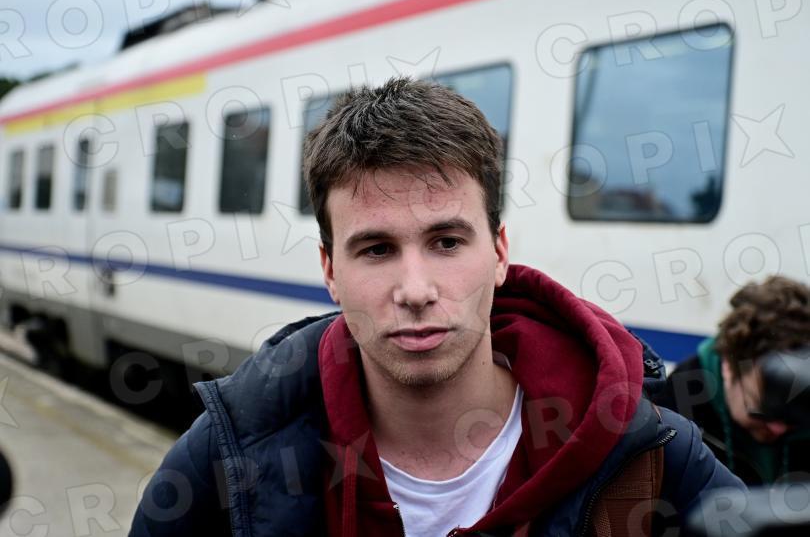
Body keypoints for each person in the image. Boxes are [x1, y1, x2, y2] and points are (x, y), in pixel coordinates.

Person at [130, 78, 743, 537]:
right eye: (376, 249)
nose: (416, 289)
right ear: (330, 271)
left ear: (499, 254)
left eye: (447, 242)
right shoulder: (229, 453)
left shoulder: (649, 450)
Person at [654, 276, 810, 486]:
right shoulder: (673, 411)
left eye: (793, 416)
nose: (778, 428)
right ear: (729, 366)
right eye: (763, 411)